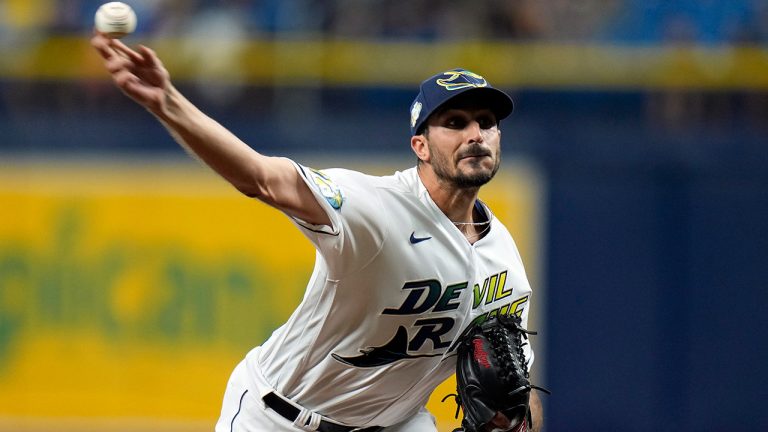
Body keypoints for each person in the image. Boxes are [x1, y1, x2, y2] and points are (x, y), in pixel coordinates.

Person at [91, 32, 544, 432]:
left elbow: (520, 389)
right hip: (279, 416)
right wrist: (168, 102)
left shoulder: (503, 263)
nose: (476, 134)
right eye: (455, 123)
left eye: (486, 122)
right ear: (419, 146)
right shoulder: (378, 209)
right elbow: (262, 178)